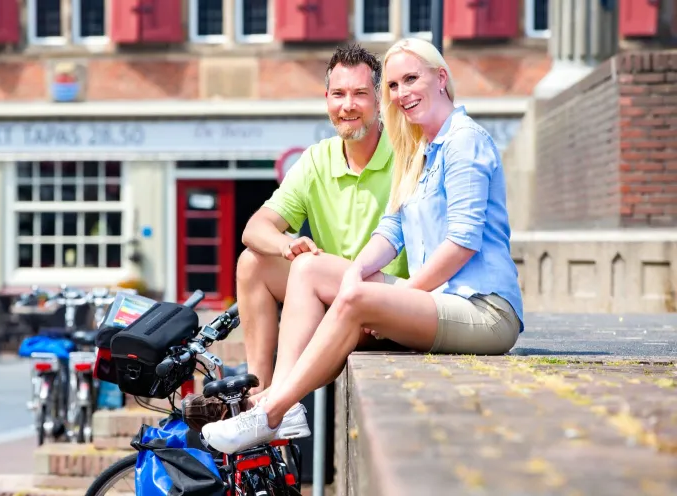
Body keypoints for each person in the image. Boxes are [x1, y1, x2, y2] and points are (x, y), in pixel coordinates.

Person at [200, 37, 524, 454]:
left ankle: (274, 410)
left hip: (483, 309)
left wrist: (397, 294)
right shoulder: (421, 147)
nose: (403, 93)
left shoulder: (464, 140)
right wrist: (354, 274)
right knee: (308, 268)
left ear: (441, 78)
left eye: (411, 79)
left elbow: (462, 243)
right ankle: (275, 395)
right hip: (438, 302)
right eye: (394, 84)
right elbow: (391, 231)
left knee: (352, 299)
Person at [181, 44, 409, 435]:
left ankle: (272, 405)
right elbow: (254, 228)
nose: (348, 105)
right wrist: (286, 244)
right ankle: (259, 389)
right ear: (326, 100)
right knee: (252, 260)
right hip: (329, 295)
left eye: (359, 94)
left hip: (390, 305)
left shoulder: (407, 156)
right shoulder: (317, 159)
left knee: (309, 265)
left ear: (380, 100)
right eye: (338, 94)